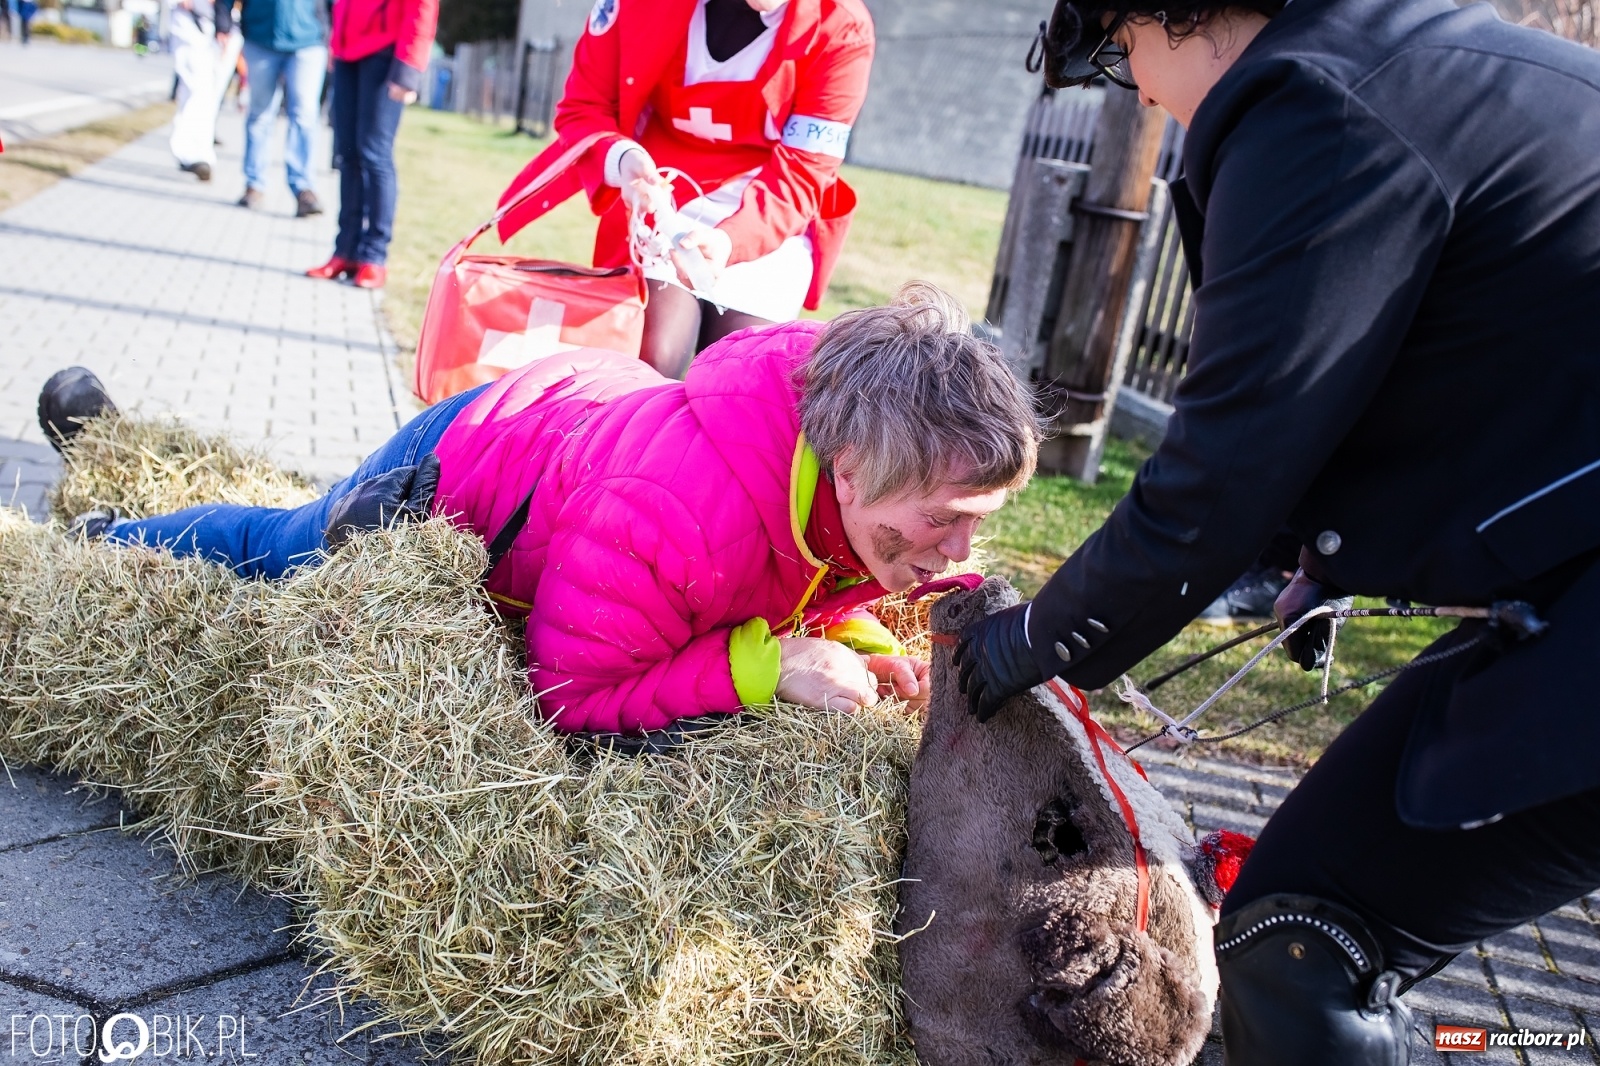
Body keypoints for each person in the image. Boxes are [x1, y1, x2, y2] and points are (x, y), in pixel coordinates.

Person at [955, 1, 1600, 1063]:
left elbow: (1214, 477)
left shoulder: (1315, 106)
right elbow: (1454, 367)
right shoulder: (1394, 54)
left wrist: (1023, 645)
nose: (1145, 94)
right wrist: (1313, 549)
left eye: (1122, 55)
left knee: (1301, 938)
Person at [40, 284, 1041, 738]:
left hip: (579, 426)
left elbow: (807, 571)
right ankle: (107, 540)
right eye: (946, 518)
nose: (962, 552)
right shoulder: (671, 513)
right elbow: (568, 692)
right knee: (289, 545)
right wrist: (762, 667)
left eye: (980, 518)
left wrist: (859, 639)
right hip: (466, 459)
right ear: (854, 466)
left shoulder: (846, 479)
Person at [491, 0, 875, 381]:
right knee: (647, 363)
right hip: (664, 198)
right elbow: (584, 105)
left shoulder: (841, 26)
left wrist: (730, 241)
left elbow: (804, 170)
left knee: (742, 384)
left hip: (768, 216)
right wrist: (623, 158)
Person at [303, 0, 438, 288]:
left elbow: (422, 10)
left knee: (374, 155)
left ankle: (374, 257)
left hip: (386, 56)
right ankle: (345, 251)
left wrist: (408, 71)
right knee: (347, 155)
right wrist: (334, 41)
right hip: (346, 53)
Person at [234, 0, 328, 217]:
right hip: (260, 38)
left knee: (305, 115)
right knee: (260, 114)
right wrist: (223, 21)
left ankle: (304, 188)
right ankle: (254, 184)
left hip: (309, 40)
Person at [168, 0, 240, 182]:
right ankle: (192, 155)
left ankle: (200, 151)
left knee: (212, 95)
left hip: (229, 25)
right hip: (193, 21)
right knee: (197, 88)